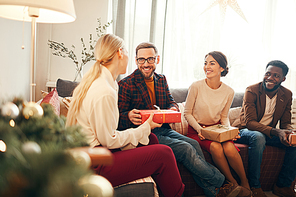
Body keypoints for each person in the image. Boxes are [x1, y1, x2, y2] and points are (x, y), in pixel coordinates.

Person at [66, 34, 185, 197]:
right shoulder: (104, 90)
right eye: (130, 52)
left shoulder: (108, 82)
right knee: (165, 153)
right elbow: (109, 139)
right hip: (95, 163)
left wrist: (144, 130)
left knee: (152, 140)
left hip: (98, 152)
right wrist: (145, 126)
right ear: (120, 53)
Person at [117, 42, 241, 197]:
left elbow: (171, 102)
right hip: (144, 135)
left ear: (157, 59)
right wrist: (128, 116)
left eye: (150, 59)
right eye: (142, 60)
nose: (146, 64)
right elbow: (118, 119)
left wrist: (173, 109)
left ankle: (213, 192)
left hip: (163, 129)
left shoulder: (161, 79)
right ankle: (223, 184)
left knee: (194, 143)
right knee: (186, 148)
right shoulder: (126, 84)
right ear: (136, 61)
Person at [184, 51, 251, 197]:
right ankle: (233, 183)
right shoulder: (196, 86)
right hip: (197, 129)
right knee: (215, 147)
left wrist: (228, 131)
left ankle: (245, 182)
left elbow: (224, 116)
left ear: (222, 68)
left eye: (212, 63)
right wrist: (200, 129)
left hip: (217, 129)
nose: (207, 66)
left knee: (229, 147)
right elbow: (187, 113)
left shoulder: (229, 91)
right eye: (205, 63)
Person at [235, 60, 296, 197]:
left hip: (268, 133)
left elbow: (285, 122)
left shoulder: (287, 94)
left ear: (283, 79)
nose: (270, 78)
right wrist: (276, 131)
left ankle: (282, 185)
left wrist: (289, 133)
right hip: (245, 131)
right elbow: (250, 122)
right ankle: (254, 186)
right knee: (258, 137)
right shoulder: (252, 90)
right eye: (268, 73)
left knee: (294, 142)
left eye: (276, 75)